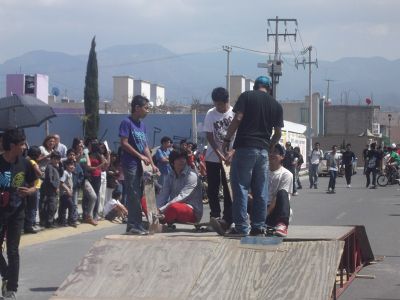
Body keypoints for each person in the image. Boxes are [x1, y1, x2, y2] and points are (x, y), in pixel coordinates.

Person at [222, 75, 283, 237]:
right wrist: (269, 146)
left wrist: (227, 139)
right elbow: (277, 133)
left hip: (244, 148)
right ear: (269, 88)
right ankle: (258, 226)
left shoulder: (246, 96)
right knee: (260, 189)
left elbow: (238, 119)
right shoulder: (276, 105)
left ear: (255, 85)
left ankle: (242, 227)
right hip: (263, 151)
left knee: (241, 187)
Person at [0, 128, 37, 299]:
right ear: (12, 145)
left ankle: (10, 288)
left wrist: (29, 191)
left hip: (17, 212)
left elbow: (36, 182)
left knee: (13, 250)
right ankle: (7, 274)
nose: (24, 147)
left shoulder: (25, 163)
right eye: (22, 144)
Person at [119, 95, 158, 235]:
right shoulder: (126, 122)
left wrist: (152, 164)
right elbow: (124, 143)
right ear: (137, 108)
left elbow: (145, 146)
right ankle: (133, 225)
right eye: (146, 108)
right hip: (131, 163)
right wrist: (139, 155)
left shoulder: (142, 126)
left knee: (140, 193)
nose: (148, 111)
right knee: (133, 193)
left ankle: (137, 224)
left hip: (142, 164)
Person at [204, 87, 234, 233]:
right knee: (213, 188)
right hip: (213, 157)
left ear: (226, 101)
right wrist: (218, 153)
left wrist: (232, 152)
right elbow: (209, 136)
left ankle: (227, 219)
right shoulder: (211, 114)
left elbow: (240, 135)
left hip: (230, 159)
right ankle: (214, 216)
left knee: (228, 189)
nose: (218, 108)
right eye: (216, 104)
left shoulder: (234, 113)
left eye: (220, 105)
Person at [156, 149, 203, 224]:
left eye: (183, 158)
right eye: (178, 159)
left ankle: (159, 219)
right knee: (145, 200)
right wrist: (157, 208)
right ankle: (158, 217)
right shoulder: (170, 175)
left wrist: (161, 209)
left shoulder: (192, 175)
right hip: (170, 208)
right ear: (172, 162)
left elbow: (182, 197)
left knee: (174, 207)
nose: (182, 161)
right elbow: (163, 194)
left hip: (191, 212)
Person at [266, 144, 293, 237]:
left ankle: (282, 225)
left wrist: (266, 213)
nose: (272, 154)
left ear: (282, 157)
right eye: (270, 152)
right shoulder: (261, 171)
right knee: (243, 194)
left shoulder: (287, 174)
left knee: (282, 193)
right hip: (261, 207)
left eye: (275, 152)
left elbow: (277, 198)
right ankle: (231, 221)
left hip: (276, 210)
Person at [24, 146, 43, 234]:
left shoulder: (26, 160)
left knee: (29, 207)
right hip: (33, 186)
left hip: (31, 186)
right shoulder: (32, 161)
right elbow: (39, 173)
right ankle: (30, 225)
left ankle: (30, 224)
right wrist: (41, 173)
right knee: (32, 207)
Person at [40, 151, 62, 227]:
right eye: (55, 159)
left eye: (58, 159)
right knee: (51, 206)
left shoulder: (56, 167)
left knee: (53, 205)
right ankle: (49, 222)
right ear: (51, 159)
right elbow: (49, 179)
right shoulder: (49, 167)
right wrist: (55, 187)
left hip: (54, 190)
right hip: (51, 190)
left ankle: (50, 220)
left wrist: (61, 165)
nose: (57, 161)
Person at [57, 160, 76, 227]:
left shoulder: (70, 173)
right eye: (71, 165)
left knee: (64, 207)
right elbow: (61, 182)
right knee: (71, 206)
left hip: (68, 194)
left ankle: (63, 221)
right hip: (64, 194)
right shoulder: (65, 173)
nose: (72, 167)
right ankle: (70, 221)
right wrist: (67, 189)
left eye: (73, 165)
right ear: (66, 166)